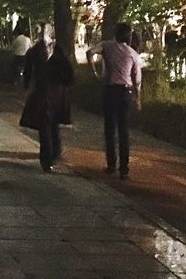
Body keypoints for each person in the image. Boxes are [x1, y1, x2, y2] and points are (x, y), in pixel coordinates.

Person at [87, 23, 143, 179]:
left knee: (109, 128)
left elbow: (90, 52)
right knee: (124, 130)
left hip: (109, 90)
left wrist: (95, 72)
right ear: (129, 36)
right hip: (125, 92)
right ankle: (124, 169)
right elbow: (137, 80)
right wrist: (138, 99)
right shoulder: (133, 54)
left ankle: (111, 164)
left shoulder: (107, 46)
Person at [21, 24, 75, 172]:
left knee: (45, 124)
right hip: (56, 91)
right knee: (53, 123)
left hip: (42, 90)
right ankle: (53, 154)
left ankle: (47, 157)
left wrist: (27, 85)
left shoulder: (34, 51)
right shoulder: (58, 50)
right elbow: (69, 70)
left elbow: (27, 71)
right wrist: (65, 83)